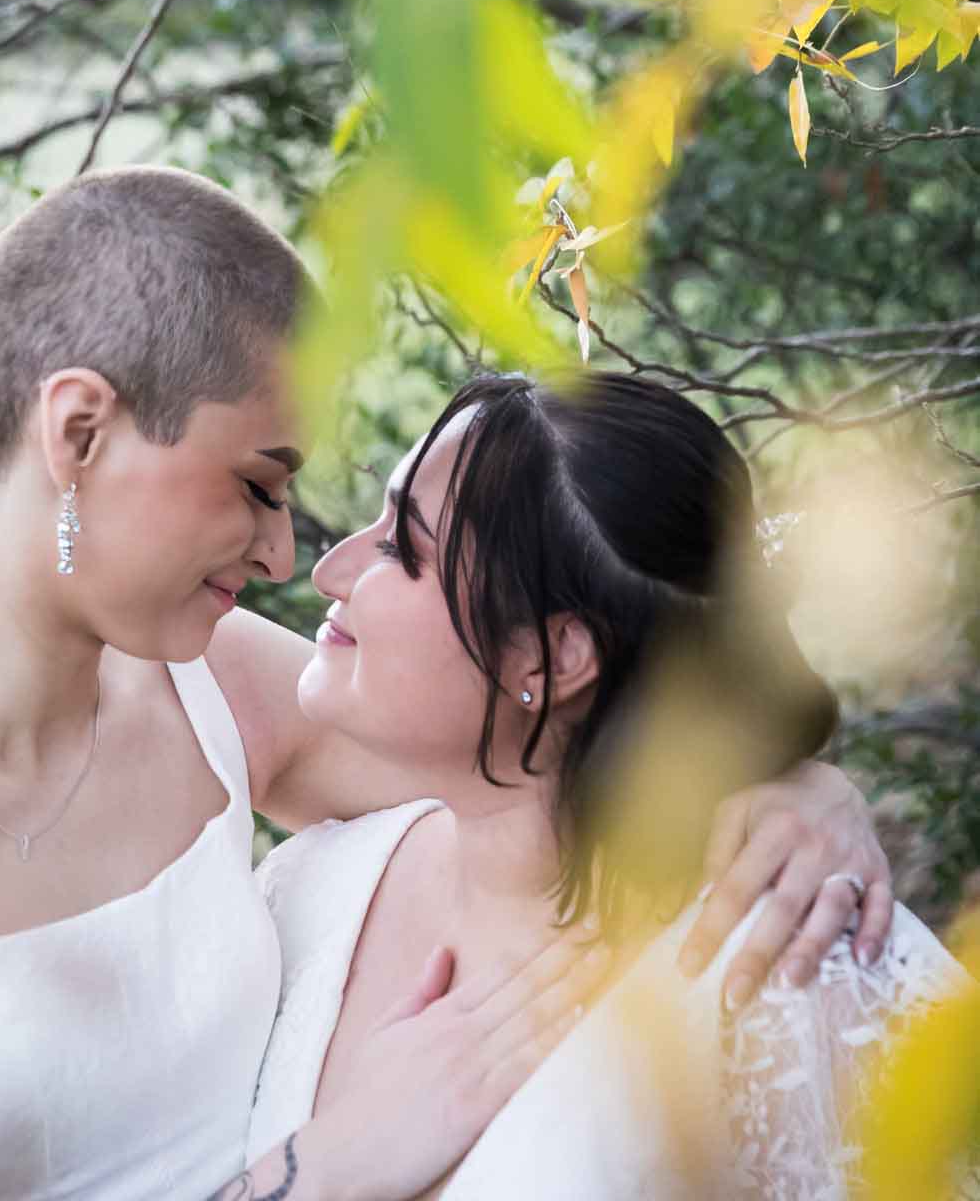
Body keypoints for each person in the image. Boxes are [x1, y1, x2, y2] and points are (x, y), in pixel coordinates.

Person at [0, 169, 894, 1200]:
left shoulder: (220, 692)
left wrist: (796, 795)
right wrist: (308, 1174)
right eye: (258, 483)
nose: (282, 556)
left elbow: (569, 742)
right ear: (80, 432)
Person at [247, 371, 973, 1200]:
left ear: (552, 660)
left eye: (399, 548)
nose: (329, 569)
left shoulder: (791, 963)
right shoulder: (305, 895)